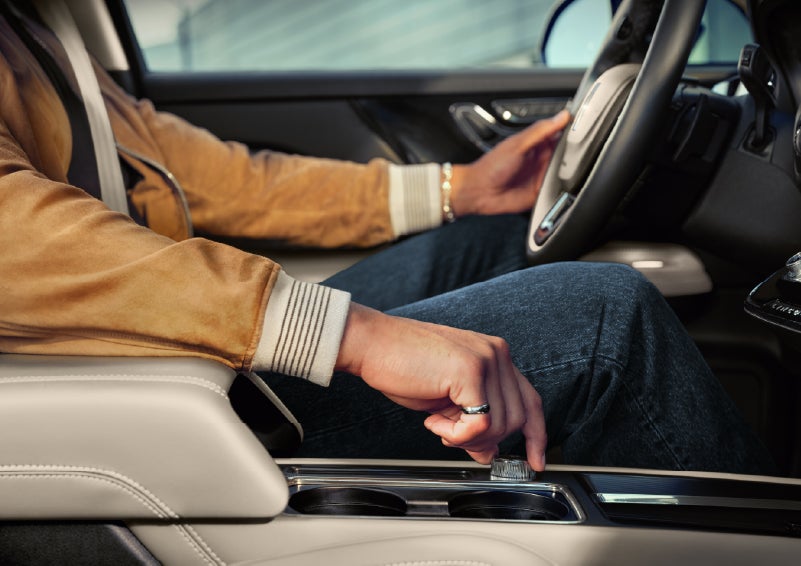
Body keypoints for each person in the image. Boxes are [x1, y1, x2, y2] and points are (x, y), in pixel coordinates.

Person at [0, 1, 776, 475]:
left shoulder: (24, 33)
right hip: (128, 397)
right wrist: (354, 336)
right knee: (606, 318)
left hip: (160, 352)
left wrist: (457, 190)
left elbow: (207, 176)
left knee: (490, 233)